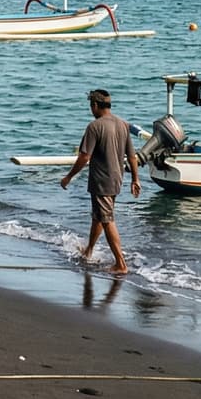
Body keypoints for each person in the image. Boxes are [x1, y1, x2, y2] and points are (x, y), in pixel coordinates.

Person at [58, 88, 141, 273]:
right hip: (116, 178)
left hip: (101, 181)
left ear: (95, 105)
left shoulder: (94, 127)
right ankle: (89, 251)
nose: (91, 110)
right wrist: (135, 179)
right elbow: (133, 156)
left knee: (107, 219)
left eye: (91, 106)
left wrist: (68, 177)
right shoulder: (123, 125)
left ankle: (121, 264)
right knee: (99, 217)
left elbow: (84, 157)